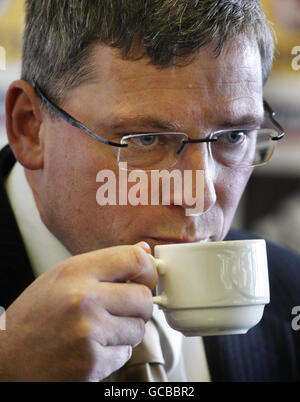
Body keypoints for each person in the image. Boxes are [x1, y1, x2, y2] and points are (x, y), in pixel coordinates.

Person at [0, 0, 299, 382]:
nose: (199, 196)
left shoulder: (291, 295)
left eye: (234, 136)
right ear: (30, 127)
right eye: (146, 139)